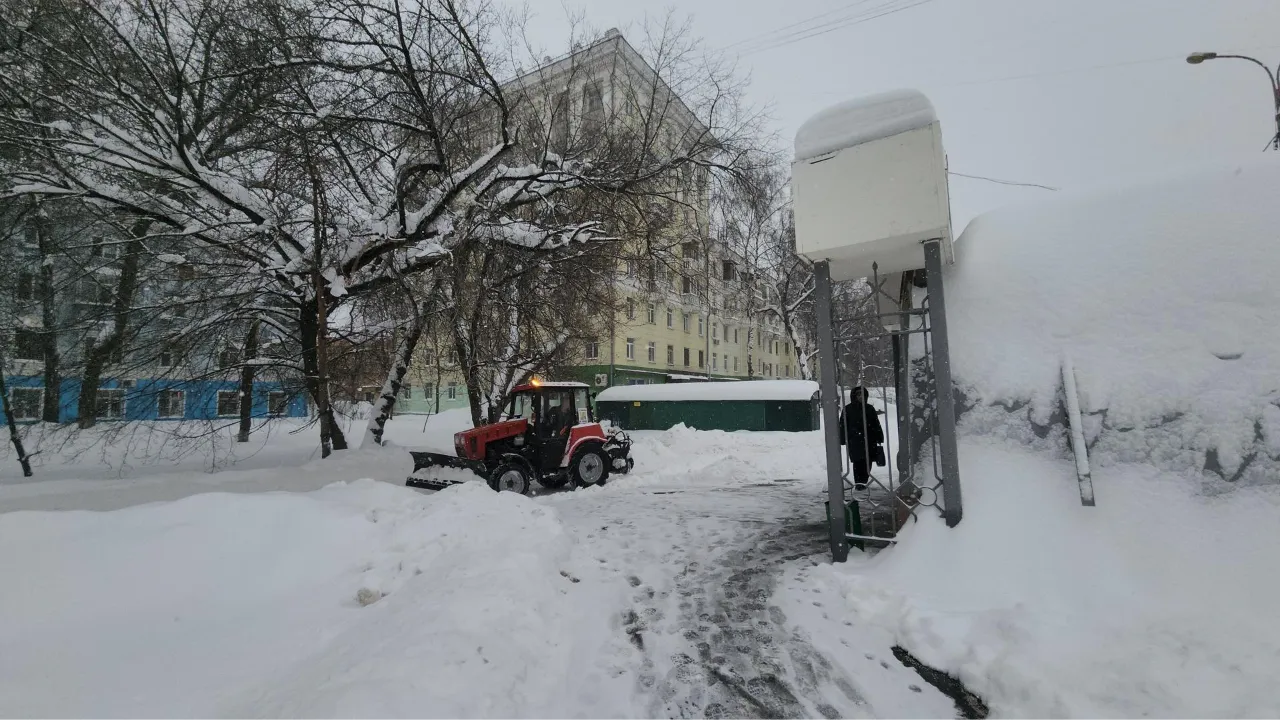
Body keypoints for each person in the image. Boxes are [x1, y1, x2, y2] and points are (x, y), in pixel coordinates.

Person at [841, 386, 885, 491]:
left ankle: (864, 481)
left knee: (867, 461)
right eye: (858, 395)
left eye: (863, 395)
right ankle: (859, 483)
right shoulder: (848, 409)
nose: (861, 397)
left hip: (869, 440)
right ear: (854, 396)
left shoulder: (869, 408)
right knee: (857, 461)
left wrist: (879, 437)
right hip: (855, 440)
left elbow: (876, 423)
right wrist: (843, 438)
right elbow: (843, 425)